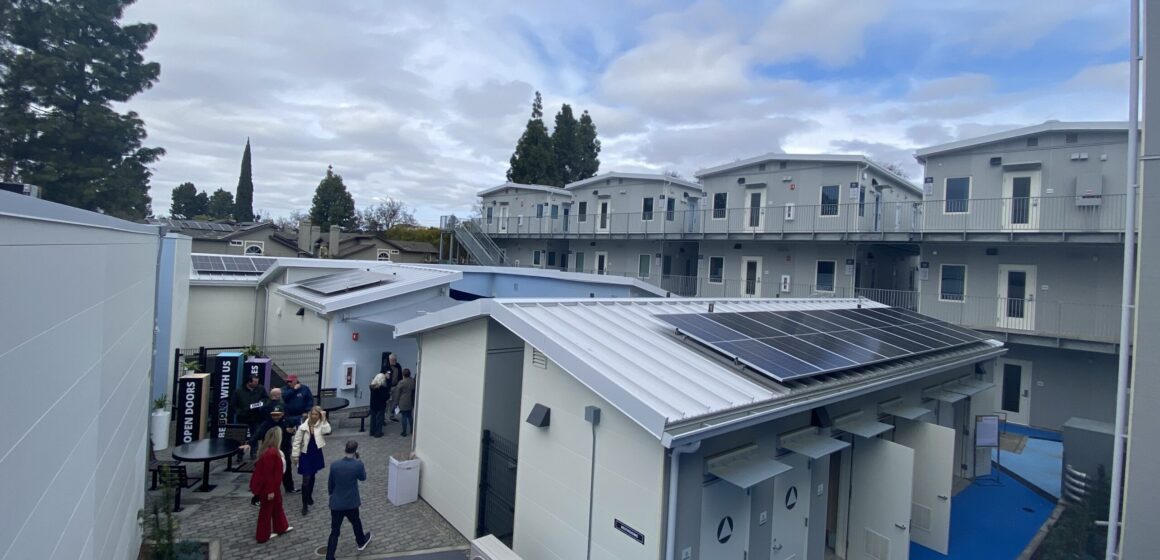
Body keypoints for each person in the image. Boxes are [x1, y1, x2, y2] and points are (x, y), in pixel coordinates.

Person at [326, 441, 372, 560]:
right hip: (351, 503)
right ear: (356, 451)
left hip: (336, 503)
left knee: (335, 531)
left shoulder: (335, 465)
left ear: (344, 449)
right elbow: (363, 478)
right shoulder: (357, 465)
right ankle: (361, 541)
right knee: (356, 522)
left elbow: (330, 484)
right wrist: (359, 460)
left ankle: (329, 556)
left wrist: (332, 496)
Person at [242, 404, 298, 501]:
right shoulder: (266, 423)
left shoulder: (288, 422)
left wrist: (293, 431)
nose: (275, 417)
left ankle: (289, 487)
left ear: (283, 414)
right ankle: (261, 488)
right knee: (266, 470)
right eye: (273, 415)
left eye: (278, 414)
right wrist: (250, 443)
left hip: (283, 450)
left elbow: (297, 426)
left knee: (287, 468)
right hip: (269, 451)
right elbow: (257, 434)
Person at [249, 426, 292, 543]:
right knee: (266, 511)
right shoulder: (271, 453)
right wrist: (270, 491)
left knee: (277, 506)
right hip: (270, 487)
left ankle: (281, 527)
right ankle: (262, 535)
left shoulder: (270, 451)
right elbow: (268, 474)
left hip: (274, 486)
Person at [292, 406, 331, 515]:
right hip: (305, 454)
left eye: (316, 414)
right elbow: (296, 441)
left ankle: (309, 495)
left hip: (316, 453)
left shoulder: (321, 425)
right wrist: (295, 456)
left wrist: (324, 419)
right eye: (312, 414)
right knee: (306, 478)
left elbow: (328, 430)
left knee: (312, 475)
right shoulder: (303, 427)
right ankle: (304, 504)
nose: (314, 416)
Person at [231, 373, 268, 459]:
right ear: (249, 382)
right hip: (243, 417)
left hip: (255, 416)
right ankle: (240, 453)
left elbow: (265, 398)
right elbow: (233, 405)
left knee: (255, 435)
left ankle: (253, 452)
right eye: (255, 382)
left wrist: (261, 403)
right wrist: (240, 412)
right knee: (240, 436)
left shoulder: (260, 389)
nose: (257, 384)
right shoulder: (238, 391)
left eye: (257, 382)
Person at [393, 368, 416, 438]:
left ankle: (404, 432)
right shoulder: (413, 381)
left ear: (403, 374)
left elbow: (397, 394)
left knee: (404, 417)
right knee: (410, 416)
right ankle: (412, 430)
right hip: (410, 401)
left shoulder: (402, 382)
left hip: (403, 401)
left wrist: (395, 402)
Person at [368, 372, 390, 438]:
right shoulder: (382, 388)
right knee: (379, 420)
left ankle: (372, 431)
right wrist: (388, 394)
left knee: (373, 419)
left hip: (373, 405)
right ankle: (378, 433)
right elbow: (385, 397)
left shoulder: (372, 387)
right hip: (380, 406)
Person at [385, 354, 403, 421]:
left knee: (395, 401)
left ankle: (392, 416)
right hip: (388, 388)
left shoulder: (398, 366)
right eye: (393, 360)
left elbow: (401, 376)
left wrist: (400, 384)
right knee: (386, 402)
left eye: (395, 360)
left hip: (396, 386)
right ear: (389, 360)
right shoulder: (386, 367)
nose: (395, 361)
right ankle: (384, 416)